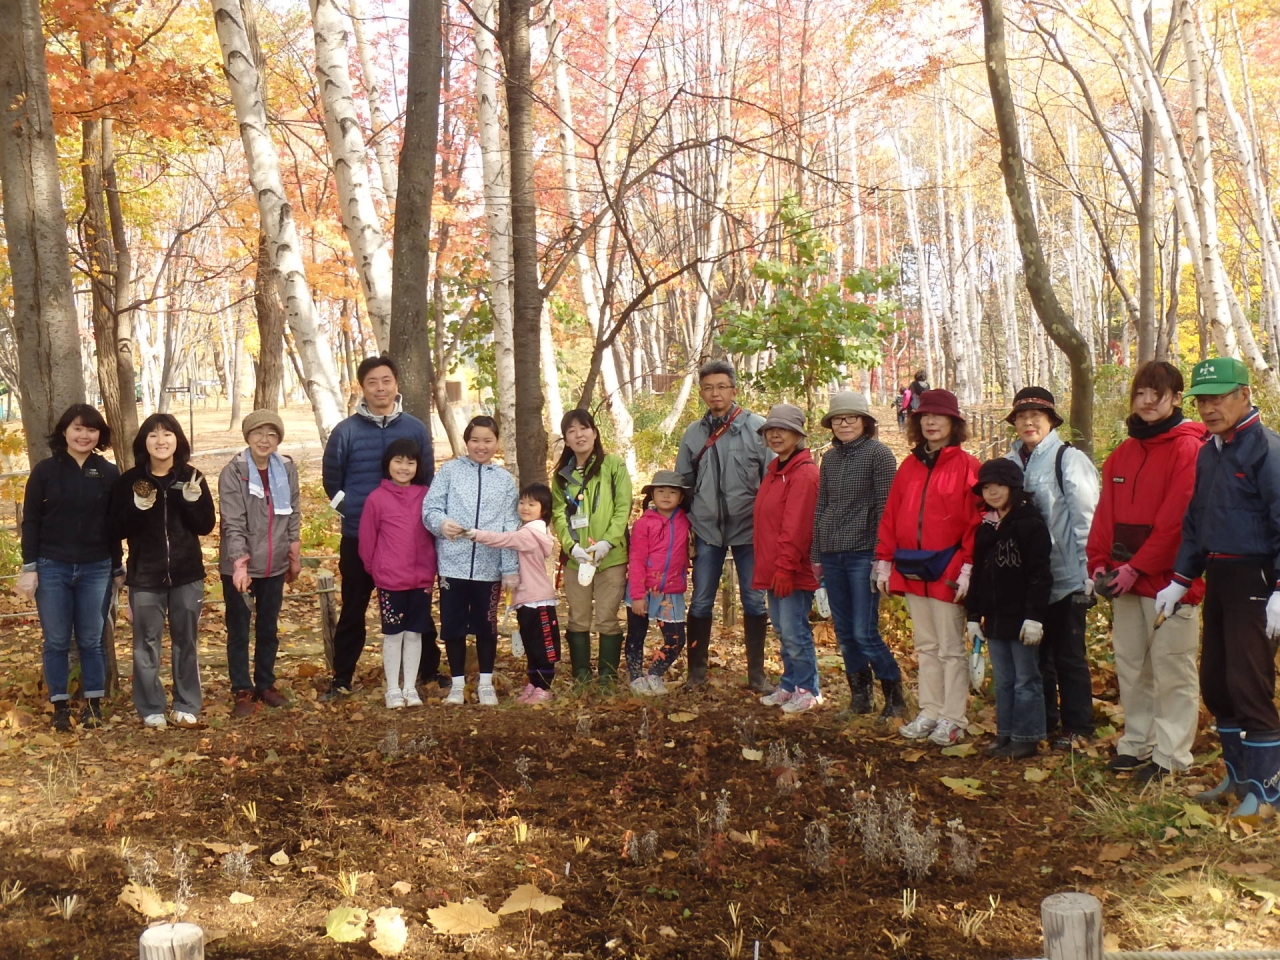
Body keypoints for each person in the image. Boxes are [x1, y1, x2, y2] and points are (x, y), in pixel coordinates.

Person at [1156, 358, 1280, 817]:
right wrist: (1180, 579)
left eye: (1218, 398)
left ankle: (1268, 792)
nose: (1209, 408)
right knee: (1217, 684)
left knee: (1250, 685)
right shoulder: (1211, 451)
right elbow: (1196, 522)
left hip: (1258, 579)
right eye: (1202, 400)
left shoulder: (1266, 449)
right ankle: (1238, 776)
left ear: (1244, 395)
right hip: (1219, 578)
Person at [1087, 362, 1204, 783]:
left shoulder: (1189, 449)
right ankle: (1137, 743)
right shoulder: (1124, 452)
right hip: (1124, 583)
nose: (1149, 401)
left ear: (1176, 398)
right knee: (1132, 666)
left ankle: (1171, 755)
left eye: (1159, 393)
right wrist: (1098, 561)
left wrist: (1138, 567)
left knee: (1172, 669)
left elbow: (1178, 521)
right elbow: (1106, 514)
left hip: (1172, 582)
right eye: (1141, 393)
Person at [320, 355, 435, 701]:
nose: (380, 388)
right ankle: (342, 677)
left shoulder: (414, 428)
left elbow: (426, 477)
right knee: (354, 607)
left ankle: (428, 671)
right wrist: (353, 511)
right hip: (359, 538)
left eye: (386, 380)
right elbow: (331, 482)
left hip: (408, 541)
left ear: (396, 384)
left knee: (417, 606)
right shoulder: (346, 431)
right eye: (372, 382)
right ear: (362, 387)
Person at [875, 389, 980, 747]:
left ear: (954, 422)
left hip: (947, 567)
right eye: (924, 417)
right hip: (910, 566)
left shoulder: (968, 467)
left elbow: (975, 522)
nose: (931, 422)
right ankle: (930, 710)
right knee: (927, 645)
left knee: (951, 647)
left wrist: (968, 565)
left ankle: (953, 716)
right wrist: (884, 560)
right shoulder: (909, 465)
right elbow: (892, 515)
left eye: (939, 416)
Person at [1003, 387, 1100, 750]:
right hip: (1027, 582)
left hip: (1067, 576)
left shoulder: (1068, 459)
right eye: (1022, 417)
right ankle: (1043, 723)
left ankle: (1079, 729)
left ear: (1051, 421)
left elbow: (1086, 519)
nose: (1029, 422)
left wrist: (1089, 573)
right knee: (1037, 656)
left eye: (1036, 416)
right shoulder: (1010, 463)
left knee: (1069, 655)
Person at [18, 404, 121, 731]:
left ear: (99, 435)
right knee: (57, 641)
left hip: (96, 568)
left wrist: (117, 568)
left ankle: (93, 704)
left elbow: (114, 525)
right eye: (78, 428)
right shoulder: (45, 471)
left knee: (92, 639)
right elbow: (31, 521)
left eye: (91, 430)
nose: (84, 435)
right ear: (65, 431)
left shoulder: (107, 473)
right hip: (52, 567)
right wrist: (30, 566)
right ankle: (60, 705)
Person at [111, 413, 216, 729]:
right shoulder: (129, 481)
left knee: (187, 640)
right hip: (145, 575)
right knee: (146, 642)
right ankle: (151, 707)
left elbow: (206, 525)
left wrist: (192, 503)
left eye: (167, 434)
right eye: (153, 435)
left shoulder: (192, 476)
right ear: (144, 442)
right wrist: (137, 508)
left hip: (187, 574)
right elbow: (115, 527)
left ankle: (186, 703)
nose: (161, 441)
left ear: (177, 440)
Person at [675, 360, 772, 690]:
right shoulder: (693, 432)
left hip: (749, 530)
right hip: (706, 529)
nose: (715, 393)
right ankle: (696, 674)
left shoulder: (758, 428)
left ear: (733, 389)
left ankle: (757, 675)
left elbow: (773, 481)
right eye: (708, 388)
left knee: (755, 601)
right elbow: (683, 483)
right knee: (701, 600)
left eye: (721, 386)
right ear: (701, 393)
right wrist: (685, 524)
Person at [810, 391, 905, 720]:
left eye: (851, 418)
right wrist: (816, 554)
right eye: (838, 419)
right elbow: (822, 506)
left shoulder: (879, 455)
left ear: (865, 422)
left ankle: (894, 695)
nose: (844, 423)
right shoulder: (830, 459)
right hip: (833, 554)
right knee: (846, 631)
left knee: (865, 631)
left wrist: (884, 557)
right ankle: (860, 697)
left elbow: (886, 508)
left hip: (865, 553)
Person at [423, 415, 518, 706]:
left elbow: (510, 527)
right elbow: (430, 507)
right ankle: (457, 683)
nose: (481, 446)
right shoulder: (449, 471)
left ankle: (486, 682)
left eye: (487, 440)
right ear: (466, 442)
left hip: (489, 568)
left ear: (496, 443)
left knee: (486, 626)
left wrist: (510, 567)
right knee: (452, 626)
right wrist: (441, 523)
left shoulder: (504, 480)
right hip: (453, 564)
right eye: (475, 440)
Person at [966, 459, 1052, 760]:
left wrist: (1034, 617)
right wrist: (974, 615)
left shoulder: (1031, 524)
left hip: (1022, 617)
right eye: (987, 487)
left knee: (1025, 678)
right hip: (995, 618)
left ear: (1013, 488)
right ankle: (1005, 734)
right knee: (1002, 680)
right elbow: (978, 574)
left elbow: (1040, 574)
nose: (992, 492)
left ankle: (1026, 737)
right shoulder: (986, 528)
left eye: (999, 486)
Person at [218, 410, 302, 718]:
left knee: (268, 628)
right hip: (240, 567)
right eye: (257, 433)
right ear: (247, 437)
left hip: (275, 564)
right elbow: (233, 521)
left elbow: (293, 511)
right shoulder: (234, 471)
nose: (264, 440)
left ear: (278, 439)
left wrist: (293, 552)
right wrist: (240, 563)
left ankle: (266, 683)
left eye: (271, 434)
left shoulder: (287, 468)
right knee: (239, 629)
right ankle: (242, 688)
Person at [551, 408, 633, 686]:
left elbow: (623, 506)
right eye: (571, 431)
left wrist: (608, 541)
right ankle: (581, 674)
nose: (579, 434)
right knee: (578, 617)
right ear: (566, 439)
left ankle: (608, 676)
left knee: (608, 616)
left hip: (611, 557)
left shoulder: (613, 465)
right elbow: (559, 514)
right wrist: (570, 545)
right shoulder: (562, 475)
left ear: (594, 432)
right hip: (577, 559)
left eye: (583, 428)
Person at [753, 404, 822, 713]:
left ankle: (808, 689)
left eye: (783, 430)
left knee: (795, 630)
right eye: (770, 430)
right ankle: (790, 683)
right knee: (782, 629)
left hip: (792, 568)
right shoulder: (774, 472)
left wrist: (785, 567)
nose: (776, 435)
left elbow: (797, 526)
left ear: (798, 435)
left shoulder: (804, 474)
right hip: (773, 565)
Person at [359, 439, 437, 710]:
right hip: (390, 580)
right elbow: (367, 541)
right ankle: (392, 688)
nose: (404, 467)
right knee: (394, 635)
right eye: (398, 461)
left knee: (415, 634)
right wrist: (377, 569)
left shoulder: (428, 495)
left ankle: (410, 687)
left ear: (418, 466)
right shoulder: (376, 499)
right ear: (388, 464)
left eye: (410, 462)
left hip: (422, 579)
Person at [467, 483, 560, 704]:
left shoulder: (530, 533)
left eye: (532, 504)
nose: (525, 507)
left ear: (543, 509)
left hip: (539, 599)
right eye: (522, 502)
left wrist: (474, 534)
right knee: (529, 643)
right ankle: (534, 683)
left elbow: (503, 540)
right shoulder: (526, 529)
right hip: (525, 599)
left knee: (542, 645)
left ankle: (544, 688)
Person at [625, 470, 693, 697]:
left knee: (676, 638)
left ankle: (654, 674)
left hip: (671, 591)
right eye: (660, 491)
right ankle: (635, 676)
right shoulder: (644, 524)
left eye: (672, 492)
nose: (666, 496)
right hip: (643, 589)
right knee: (636, 634)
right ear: (652, 495)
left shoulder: (686, 521)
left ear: (681, 497)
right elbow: (636, 559)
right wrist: (636, 595)